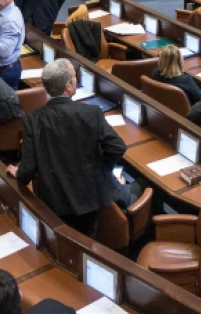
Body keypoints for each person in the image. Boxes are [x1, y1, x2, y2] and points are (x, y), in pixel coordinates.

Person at [8, 59, 126, 238]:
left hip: (52, 201)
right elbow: (117, 147)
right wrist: (103, 168)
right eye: (74, 77)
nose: (76, 80)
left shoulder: (33, 119)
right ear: (68, 86)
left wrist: (19, 173)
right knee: (87, 243)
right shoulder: (91, 112)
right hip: (88, 198)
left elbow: (29, 167)